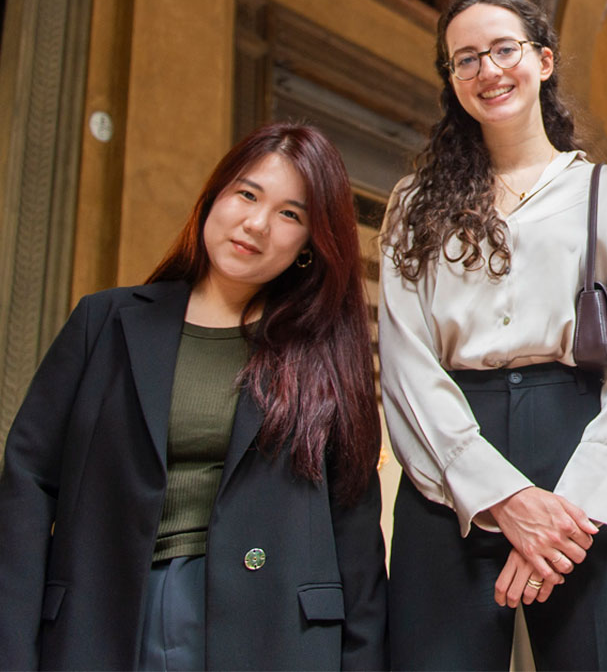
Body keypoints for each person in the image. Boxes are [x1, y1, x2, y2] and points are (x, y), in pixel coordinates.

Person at [0, 122, 386, 670]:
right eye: (247, 194)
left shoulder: (320, 359)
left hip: (272, 633)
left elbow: (356, 538)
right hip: (105, 618)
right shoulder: (104, 321)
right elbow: (29, 482)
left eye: (290, 214)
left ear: (308, 246)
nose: (256, 223)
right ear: (215, 196)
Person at [379, 0, 607, 671]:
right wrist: (502, 497)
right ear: (453, 82)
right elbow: (406, 362)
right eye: (466, 59)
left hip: (579, 451)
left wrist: (573, 511)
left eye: (503, 49)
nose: (488, 69)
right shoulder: (413, 205)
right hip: (447, 469)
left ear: (541, 61)